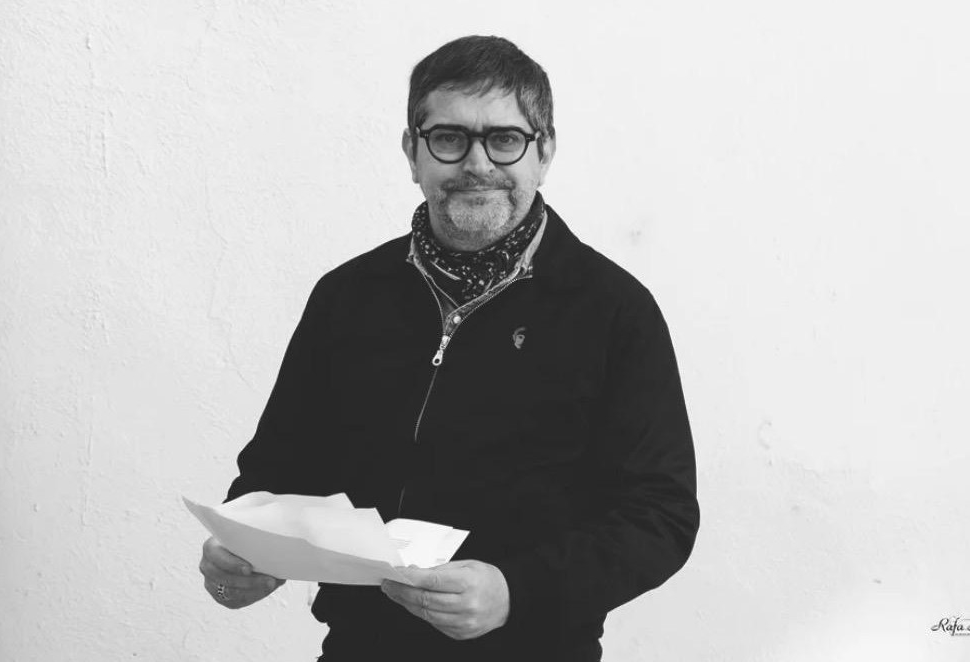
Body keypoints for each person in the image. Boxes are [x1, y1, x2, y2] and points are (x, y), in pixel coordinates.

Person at [198, 35, 699, 661]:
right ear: (413, 152)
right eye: (449, 138)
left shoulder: (614, 310)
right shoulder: (347, 296)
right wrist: (241, 555)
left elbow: (661, 516)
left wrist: (516, 590)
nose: (478, 163)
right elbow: (277, 470)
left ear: (544, 152)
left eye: (505, 139)